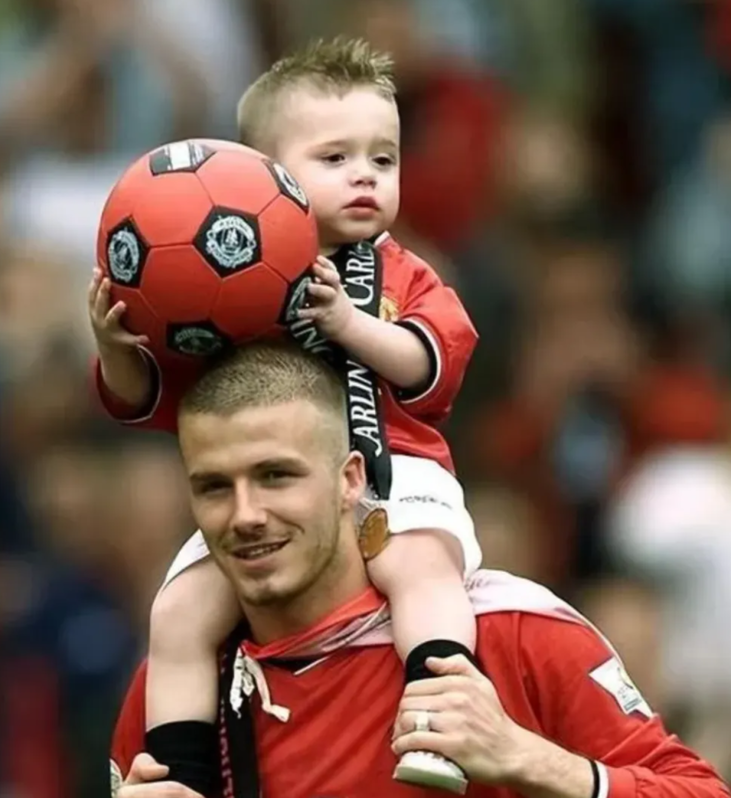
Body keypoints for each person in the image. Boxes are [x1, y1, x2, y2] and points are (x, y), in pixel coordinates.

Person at [90, 38, 480, 793]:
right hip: (268, 503)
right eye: (335, 158)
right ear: (264, 174)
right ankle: (183, 774)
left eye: (384, 159)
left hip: (396, 479)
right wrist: (115, 348)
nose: (365, 175)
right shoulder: (222, 273)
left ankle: (442, 722)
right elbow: (150, 398)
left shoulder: (404, 271)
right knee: (179, 612)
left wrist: (351, 325)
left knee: (420, 571)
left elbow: (432, 364)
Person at [110, 340, 730, 798]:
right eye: (215, 487)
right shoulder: (178, 694)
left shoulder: (511, 635)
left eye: (276, 476)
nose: (246, 514)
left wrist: (528, 758)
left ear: (351, 479)